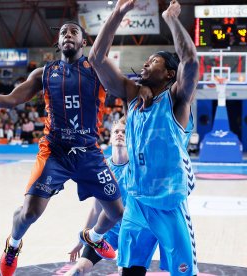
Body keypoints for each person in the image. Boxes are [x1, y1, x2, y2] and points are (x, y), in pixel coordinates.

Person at [0, 21, 146, 276]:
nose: (68, 35)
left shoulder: (97, 70)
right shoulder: (44, 74)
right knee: (30, 212)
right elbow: (11, 100)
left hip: (88, 152)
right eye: (63, 33)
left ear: (83, 42)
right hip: (55, 152)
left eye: (74, 32)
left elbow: (125, 87)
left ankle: (92, 236)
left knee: (115, 212)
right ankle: (13, 245)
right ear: (58, 43)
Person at [88, 0, 199, 275]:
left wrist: (171, 19)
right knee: (129, 271)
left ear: (169, 74)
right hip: (136, 202)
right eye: (147, 61)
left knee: (182, 272)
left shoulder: (177, 101)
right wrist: (118, 13)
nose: (145, 64)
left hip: (169, 204)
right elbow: (96, 59)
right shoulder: (132, 99)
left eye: (154, 61)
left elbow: (191, 61)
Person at [66, 117, 167, 275]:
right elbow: (95, 210)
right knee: (78, 268)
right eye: (116, 131)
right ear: (111, 136)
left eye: (124, 132)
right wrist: (81, 240)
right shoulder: (102, 169)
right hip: (109, 231)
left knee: (126, 273)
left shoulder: (139, 167)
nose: (120, 134)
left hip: (138, 232)